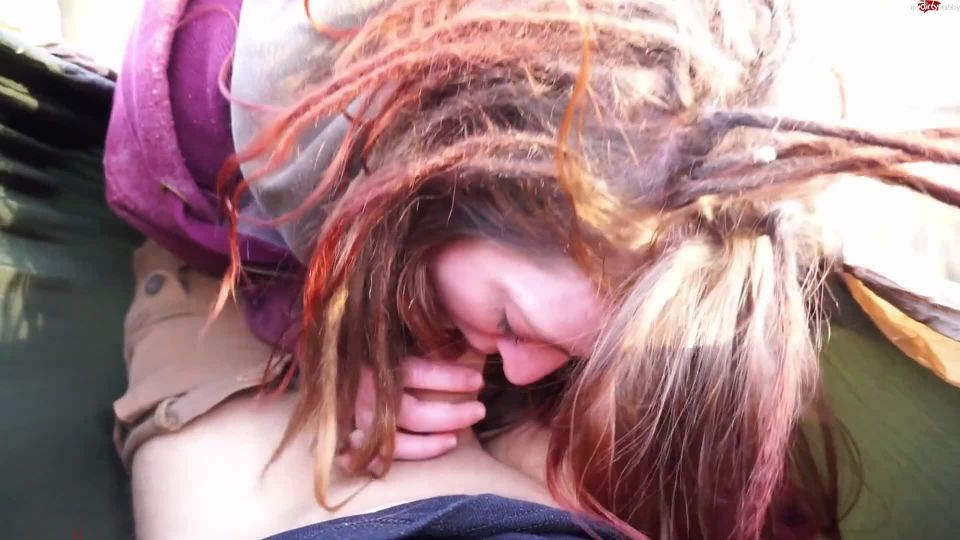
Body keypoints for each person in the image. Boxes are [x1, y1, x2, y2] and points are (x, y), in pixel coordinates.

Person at [104, 0, 960, 538]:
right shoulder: (205, 93)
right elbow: (178, 223)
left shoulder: (663, 129)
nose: (515, 371)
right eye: (512, 325)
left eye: (562, 351)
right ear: (444, 172)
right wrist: (331, 335)